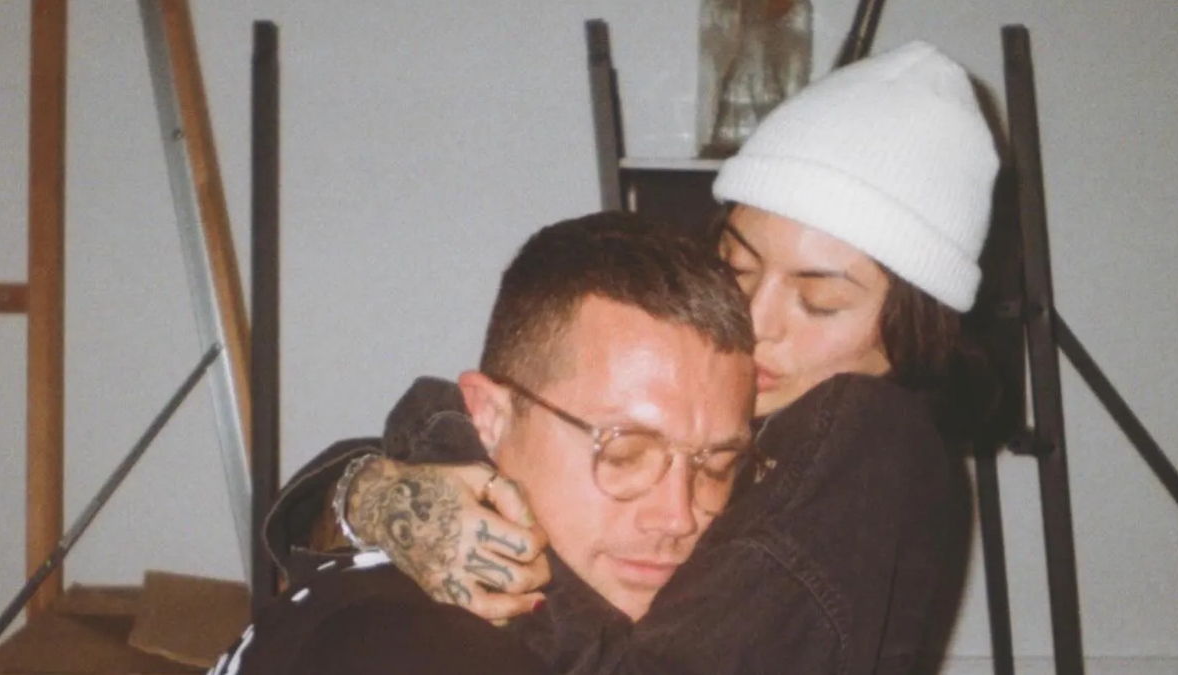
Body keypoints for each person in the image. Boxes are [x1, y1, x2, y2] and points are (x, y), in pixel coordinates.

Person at [261, 40, 999, 674]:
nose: (755, 321)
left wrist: (440, 485)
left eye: (820, 300)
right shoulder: (751, 413)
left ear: (913, 329)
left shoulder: (870, 437)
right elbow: (306, 512)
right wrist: (368, 491)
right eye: (739, 268)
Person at [218, 210, 761, 673]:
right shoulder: (407, 644)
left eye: (716, 465)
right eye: (624, 452)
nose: (678, 517)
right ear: (489, 416)